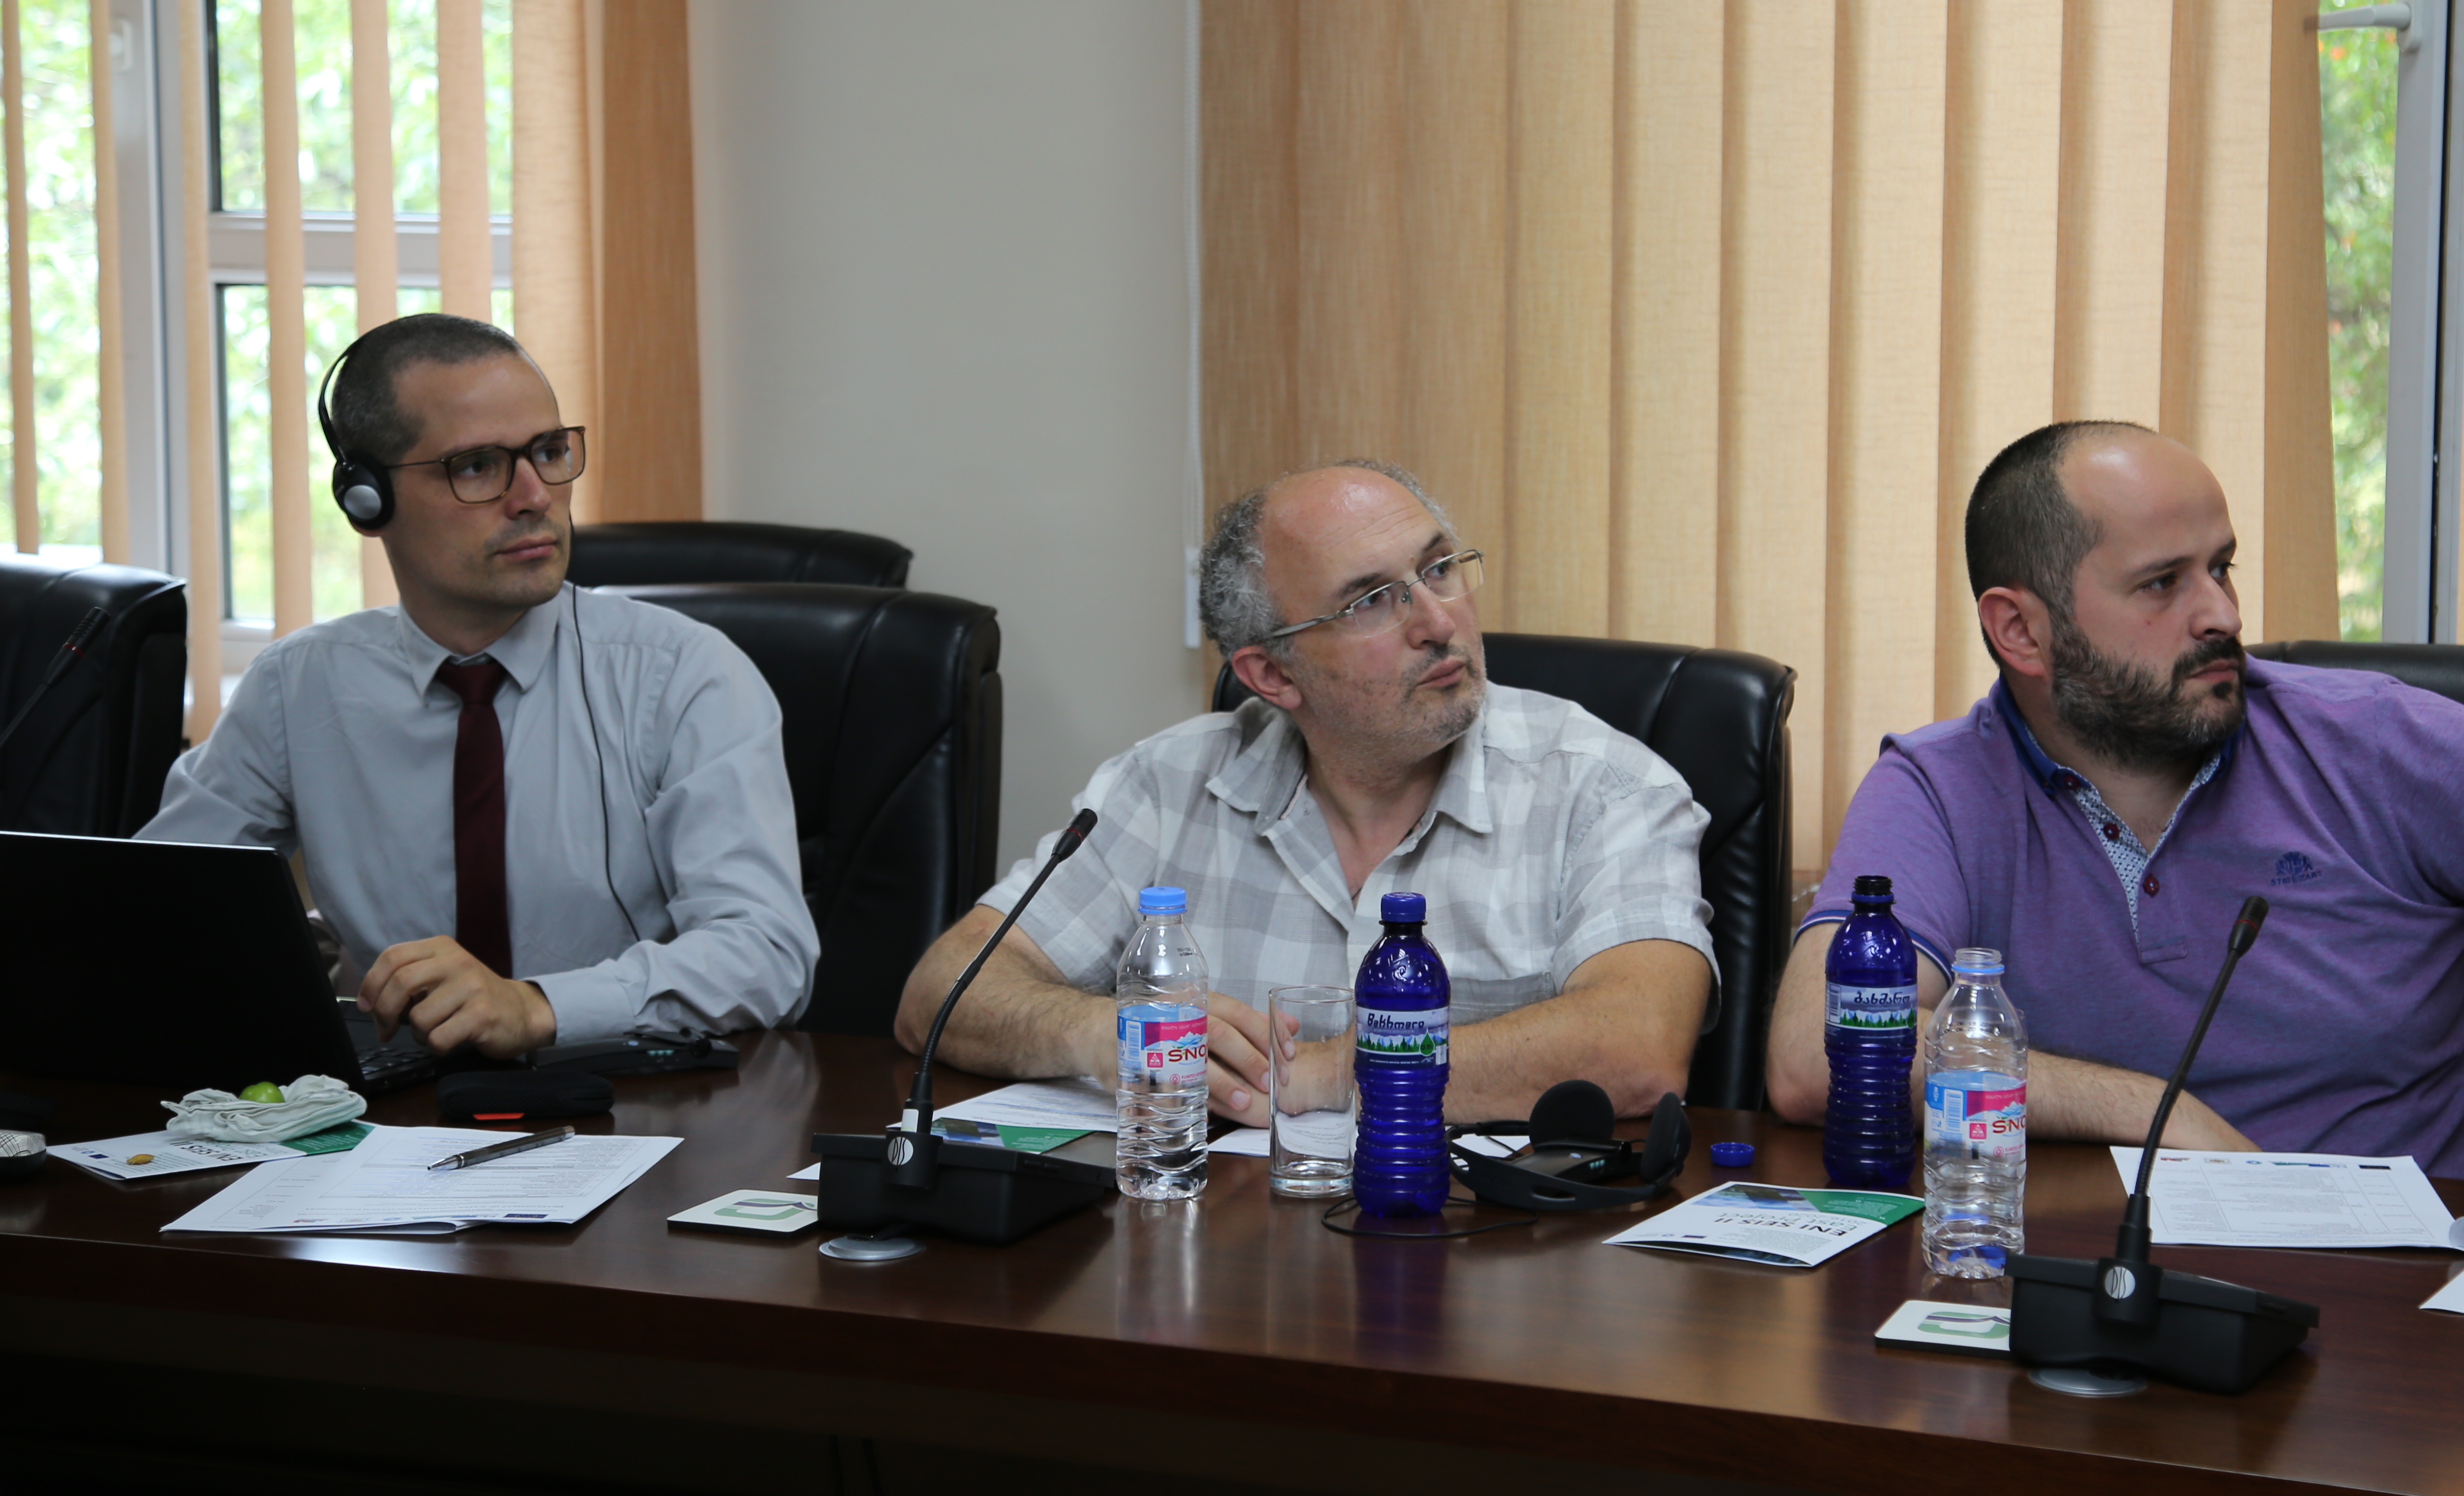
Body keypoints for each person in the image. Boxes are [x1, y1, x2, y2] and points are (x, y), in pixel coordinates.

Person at [1765, 421, 2464, 1211]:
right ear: (2021, 632)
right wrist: (2158, 1114)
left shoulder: (2374, 743)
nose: (2223, 614)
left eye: (2222, 568)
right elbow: (1819, 1058)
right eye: (2162, 584)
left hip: (2421, 1315)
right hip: (2107, 1300)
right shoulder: (1940, 788)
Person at [895, 460, 1714, 1123]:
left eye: (1439, 568)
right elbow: (941, 993)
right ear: (1272, 675)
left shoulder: (1604, 786)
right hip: (1223, 1246)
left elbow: (1637, 1047)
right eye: (1371, 601)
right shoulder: (1168, 785)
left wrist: (1314, 1073)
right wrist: (1096, 1031)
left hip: (1496, 1250)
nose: (1438, 621)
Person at [141, 313, 816, 1056]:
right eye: (477, 467)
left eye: (549, 453)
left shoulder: (683, 674)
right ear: (367, 500)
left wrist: (536, 1006)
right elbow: (153, 910)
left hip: (632, 1096)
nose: (534, 497)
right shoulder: (297, 687)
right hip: (386, 1104)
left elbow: (768, 955)